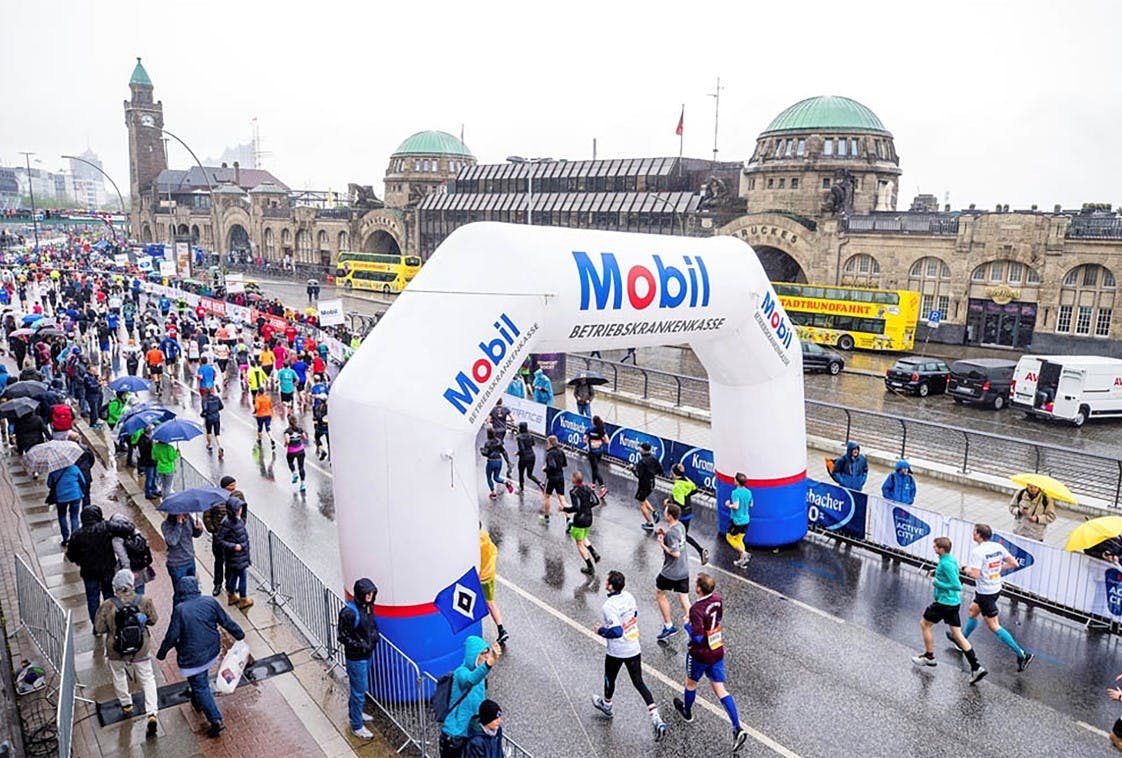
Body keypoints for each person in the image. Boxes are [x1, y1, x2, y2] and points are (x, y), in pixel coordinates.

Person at [155, 575, 246, 738]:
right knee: (199, 681)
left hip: (192, 658)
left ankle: (215, 719)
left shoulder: (180, 610)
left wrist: (162, 653)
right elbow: (226, 621)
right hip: (211, 650)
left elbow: (172, 636)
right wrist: (239, 635)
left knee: (200, 685)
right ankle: (197, 700)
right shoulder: (209, 602)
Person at [672, 573, 749, 753]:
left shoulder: (696, 609)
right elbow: (718, 618)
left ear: (699, 589)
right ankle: (737, 727)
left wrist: (687, 625)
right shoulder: (717, 599)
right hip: (717, 649)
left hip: (700, 654)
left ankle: (687, 713)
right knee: (720, 689)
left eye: (696, 583)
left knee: (691, 683)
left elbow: (698, 638)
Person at [592, 570, 667, 742]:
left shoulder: (608, 606)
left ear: (610, 586)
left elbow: (617, 631)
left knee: (609, 677)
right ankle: (656, 717)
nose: (605, 583)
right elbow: (634, 615)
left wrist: (601, 631)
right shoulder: (629, 597)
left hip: (617, 651)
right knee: (638, 682)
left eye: (606, 581)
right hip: (634, 647)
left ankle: (607, 705)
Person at [957, 523, 1034, 671]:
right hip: (994, 588)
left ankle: (1022, 654)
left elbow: (975, 574)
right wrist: (997, 570)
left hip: (986, 592)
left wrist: (964, 568)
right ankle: (961, 640)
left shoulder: (978, 552)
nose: (972, 534)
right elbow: (1013, 563)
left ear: (978, 535)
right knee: (973, 611)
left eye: (974, 532)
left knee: (993, 625)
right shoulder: (997, 546)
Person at [913, 536, 988, 684]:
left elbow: (957, 585)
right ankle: (976, 667)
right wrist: (937, 571)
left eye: (935, 547)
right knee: (958, 635)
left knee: (925, 624)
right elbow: (952, 573)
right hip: (953, 603)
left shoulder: (945, 564)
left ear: (941, 549)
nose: (933, 548)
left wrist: (937, 582)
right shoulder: (950, 560)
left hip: (943, 603)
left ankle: (929, 657)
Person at [94, 569, 160, 737]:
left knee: (118, 675)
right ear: (132, 584)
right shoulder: (144, 600)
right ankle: (151, 713)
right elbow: (154, 620)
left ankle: (126, 704)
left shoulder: (108, 605)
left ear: (115, 586)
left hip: (116, 650)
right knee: (147, 678)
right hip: (140, 648)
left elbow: (99, 629)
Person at [441, 636, 502, 757]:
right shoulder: (460, 673)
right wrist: (489, 663)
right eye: (483, 653)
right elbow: (470, 680)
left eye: (487, 653)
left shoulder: (481, 676)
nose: (486, 656)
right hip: (455, 737)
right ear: (473, 654)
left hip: (470, 734)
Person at [338, 578, 380, 739]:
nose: (370, 596)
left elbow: (371, 626)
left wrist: (373, 638)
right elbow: (343, 636)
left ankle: (355, 713)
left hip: (365, 655)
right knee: (359, 691)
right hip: (357, 658)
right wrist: (361, 645)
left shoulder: (367, 607)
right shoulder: (350, 613)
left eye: (371, 593)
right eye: (367, 593)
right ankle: (357, 725)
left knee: (359, 689)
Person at [66, 505, 117, 625]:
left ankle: (97, 625)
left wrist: (80, 561)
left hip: (89, 572)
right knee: (109, 595)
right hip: (107, 569)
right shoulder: (105, 527)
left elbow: (71, 556)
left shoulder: (77, 535)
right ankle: (112, 621)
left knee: (92, 599)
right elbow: (126, 528)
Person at [655, 503, 691, 642]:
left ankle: (668, 626)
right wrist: (665, 535)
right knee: (684, 599)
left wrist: (662, 544)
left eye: (665, 512)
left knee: (660, 593)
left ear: (670, 516)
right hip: (684, 570)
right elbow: (677, 541)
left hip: (670, 572)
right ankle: (694, 627)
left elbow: (675, 553)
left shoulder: (671, 533)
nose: (664, 514)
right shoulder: (680, 526)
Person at [216, 498, 253, 610]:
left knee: (234, 576)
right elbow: (220, 539)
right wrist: (233, 546)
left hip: (239, 555)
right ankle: (243, 599)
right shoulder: (227, 523)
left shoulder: (237, 520)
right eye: (238, 508)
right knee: (242, 576)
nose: (240, 510)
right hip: (236, 555)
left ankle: (231, 595)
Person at [562, 471, 602, 575]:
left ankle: (590, 566)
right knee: (583, 536)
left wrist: (564, 509)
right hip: (589, 517)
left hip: (580, 519)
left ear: (575, 479)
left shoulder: (574, 492)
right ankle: (593, 552)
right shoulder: (588, 488)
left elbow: (576, 507)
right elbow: (596, 501)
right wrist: (587, 507)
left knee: (579, 543)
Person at [669, 464, 708, 565]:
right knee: (682, 535)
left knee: (678, 535)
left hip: (681, 515)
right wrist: (686, 494)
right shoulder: (686, 480)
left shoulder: (677, 486)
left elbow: (679, 505)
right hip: (689, 512)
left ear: (673, 473)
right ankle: (696, 551)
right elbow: (695, 489)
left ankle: (699, 550)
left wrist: (669, 503)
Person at [162, 513, 202, 607]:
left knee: (192, 590)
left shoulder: (188, 518)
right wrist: (178, 524)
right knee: (180, 593)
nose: (186, 515)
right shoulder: (166, 525)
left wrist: (199, 529)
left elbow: (194, 534)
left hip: (190, 560)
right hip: (177, 564)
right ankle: (177, 615)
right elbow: (172, 541)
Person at [107, 513, 153, 595]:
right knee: (140, 593)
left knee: (126, 594)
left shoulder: (116, 539)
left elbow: (124, 558)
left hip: (129, 569)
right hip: (141, 567)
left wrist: (129, 573)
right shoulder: (135, 531)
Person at [479, 527, 509, 644]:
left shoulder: (475, 544)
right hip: (490, 574)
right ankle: (501, 629)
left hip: (479, 576)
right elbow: (493, 550)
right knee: (490, 603)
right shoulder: (485, 536)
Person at [47, 461, 85, 547]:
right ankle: (75, 538)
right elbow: (82, 481)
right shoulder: (74, 468)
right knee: (74, 516)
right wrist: (82, 491)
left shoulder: (54, 470)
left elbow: (49, 484)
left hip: (61, 498)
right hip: (75, 496)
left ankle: (66, 538)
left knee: (62, 515)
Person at [633, 442, 663, 533]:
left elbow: (639, 475)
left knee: (641, 504)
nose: (639, 450)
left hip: (643, 484)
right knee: (642, 498)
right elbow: (660, 471)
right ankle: (654, 512)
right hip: (651, 483)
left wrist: (632, 469)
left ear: (643, 450)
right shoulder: (654, 459)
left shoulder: (642, 462)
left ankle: (649, 523)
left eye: (640, 448)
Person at [725, 473, 752, 568]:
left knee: (729, 537)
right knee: (739, 539)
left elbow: (736, 506)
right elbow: (751, 504)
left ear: (737, 481)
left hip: (737, 520)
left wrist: (729, 505)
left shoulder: (735, 493)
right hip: (746, 519)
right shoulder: (748, 492)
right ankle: (742, 560)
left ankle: (744, 553)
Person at [540, 435, 567, 526]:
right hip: (560, 477)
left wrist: (545, 469)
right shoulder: (561, 452)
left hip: (551, 478)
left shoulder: (550, 454)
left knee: (547, 496)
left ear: (550, 443)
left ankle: (546, 518)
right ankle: (568, 519)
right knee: (562, 499)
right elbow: (564, 464)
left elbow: (552, 466)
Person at [479, 428, 513, 500]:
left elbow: (487, 453)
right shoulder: (499, 441)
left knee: (489, 477)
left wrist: (482, 451)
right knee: (496, 477)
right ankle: (506, 482)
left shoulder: (487, 443)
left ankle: (493, 493)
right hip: (499, 461)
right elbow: (504, 452)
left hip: (491, 462)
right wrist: (508, 462)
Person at [513, 422, 542, 494]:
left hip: (524, 458)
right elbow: (533, 444)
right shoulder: (530, 435)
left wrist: (517, 453)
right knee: (529, 474)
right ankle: (539, 483)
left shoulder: (519, 437)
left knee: (521, 473)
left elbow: (522, 449)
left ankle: (521, 488)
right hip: (532, 456)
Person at [584, 416, 609, 498]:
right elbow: (607, 441)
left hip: (592, 452)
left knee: (595, 469)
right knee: (594, 468)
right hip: (599, 452)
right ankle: (593, 484)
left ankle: (602, 487)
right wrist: (600, 439)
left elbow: (584, 440)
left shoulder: (589, 430)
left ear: (593, 422)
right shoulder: (601, 430)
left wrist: (590, 441)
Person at [283, 416, 309, 491]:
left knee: (290, 462)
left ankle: (294, 473)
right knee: (301, 467)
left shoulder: (287, 431)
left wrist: (285, 444)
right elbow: (305, 438)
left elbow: (287, 441)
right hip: (300, 450)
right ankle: (303, 484)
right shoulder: (300, 429)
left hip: (292, 451)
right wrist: (299, 437)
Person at [137, 425, 158, 500]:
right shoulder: (143, 439)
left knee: (155, 476)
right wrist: (151, 445)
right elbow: (144, 451)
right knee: (149, 477)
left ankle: (154, 489)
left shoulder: (150, 439)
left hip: (154, 461)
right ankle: (148, 493)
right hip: (148, 462)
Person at [201, 391, 224, 459]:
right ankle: (220, 447)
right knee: (217, 433)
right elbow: (221, 406)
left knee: (209, 432)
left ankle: (209, 444)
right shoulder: (217, 398)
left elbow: (204, 409)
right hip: (216, 417)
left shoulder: (205, 399)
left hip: (209, 418)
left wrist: (203, 414)